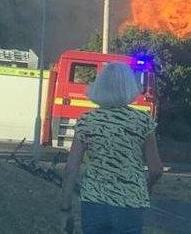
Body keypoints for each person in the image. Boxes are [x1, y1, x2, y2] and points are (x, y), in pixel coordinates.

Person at [61, 63, 162, 234]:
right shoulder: (142, 121)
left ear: (99, 86)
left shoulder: (87, 120)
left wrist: (65, 207)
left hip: (94, 201)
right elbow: (156, 169)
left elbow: (71, 168)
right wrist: (145, 186)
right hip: (130, 202)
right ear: (129, 87)